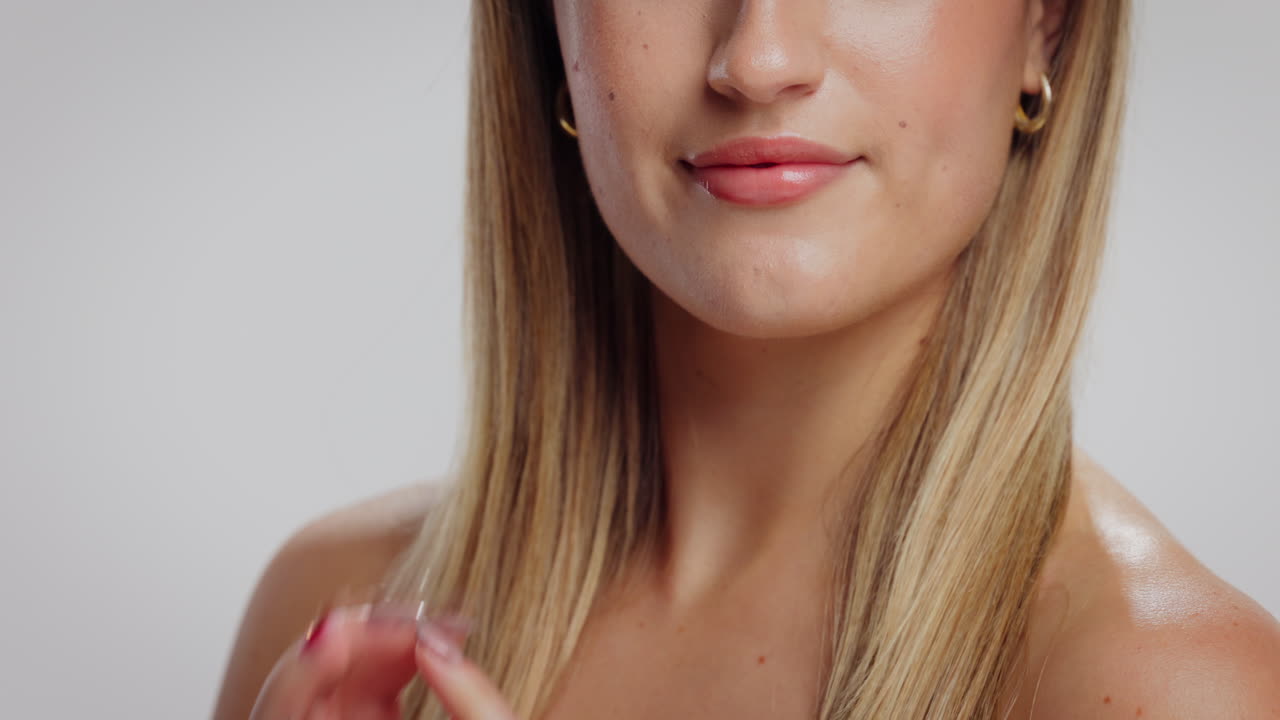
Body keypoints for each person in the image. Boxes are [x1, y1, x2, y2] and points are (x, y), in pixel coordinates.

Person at [212, 0, 1280, 718]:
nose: (759, 58)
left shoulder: (1169, 690)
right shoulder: (329, 624)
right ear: (552, 28)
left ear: (1047, 21)